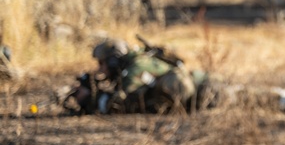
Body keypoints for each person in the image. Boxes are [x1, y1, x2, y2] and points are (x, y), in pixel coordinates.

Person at [68, 37, 201, 114]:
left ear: (113, 61)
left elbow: (121, 103)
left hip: (205, 91)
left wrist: (91, 98)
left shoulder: (136, 67)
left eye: (102, 62)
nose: (99, 67)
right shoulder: (134, 62)